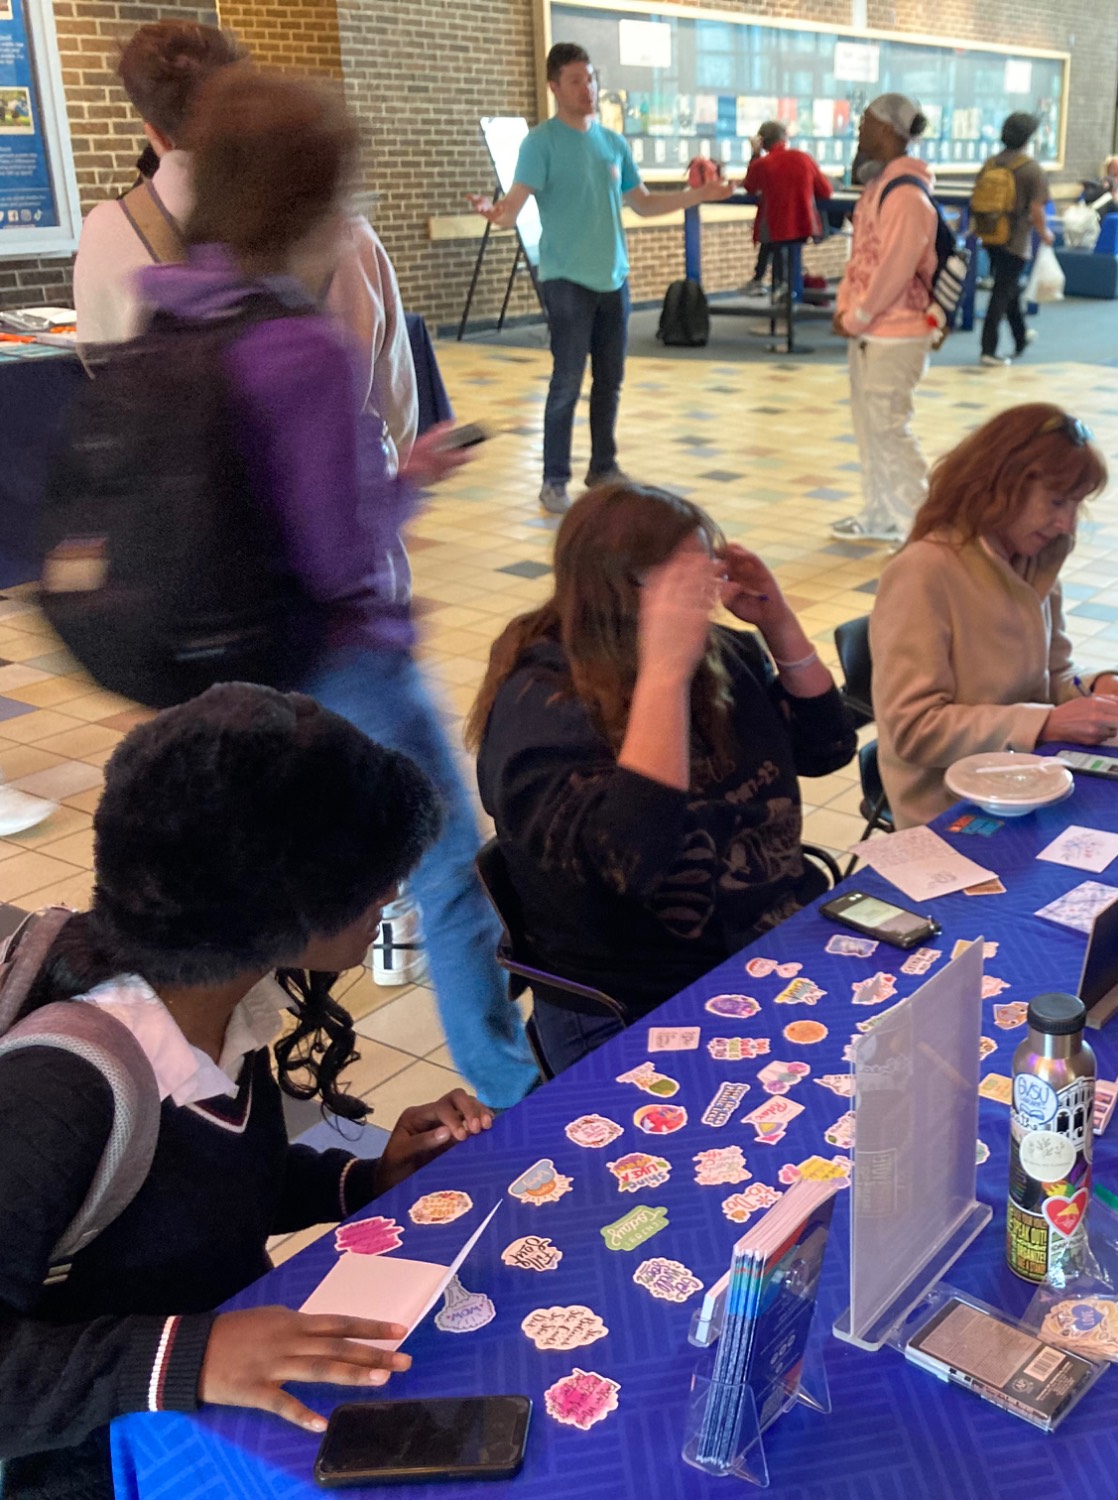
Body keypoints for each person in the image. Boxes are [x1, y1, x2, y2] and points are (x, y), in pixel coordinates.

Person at [139, 66, 540, 1107]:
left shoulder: (175, 303)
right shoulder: (296, 344)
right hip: (342, 666)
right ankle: (511, 1090)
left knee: (254, 890)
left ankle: (228, 1093)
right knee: (449, 870)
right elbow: (337, 554)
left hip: (217, 667)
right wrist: (406, 484)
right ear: (308, 195)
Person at [0, 683, 494, 1497]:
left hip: (214, 1424)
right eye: (373, 882)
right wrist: (190, 1354)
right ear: (286, 910)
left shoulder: (216, 1008)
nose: (388, 902)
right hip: (115, 1469)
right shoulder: (62, 1091)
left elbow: (203, 1196)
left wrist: (364, 1179)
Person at [469, 483, 856, 1073]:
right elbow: (632, 858)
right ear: (622, 589)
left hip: (763, 950)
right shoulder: (541, 703)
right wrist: (665, 675)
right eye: (684, 585)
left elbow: (827, 747)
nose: (704, 599)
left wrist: (778, 624)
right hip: (634, 1000)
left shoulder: (719, 654)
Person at [73, 21, 418, 472]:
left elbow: (102, 374)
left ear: (154, 134)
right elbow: (397, 403)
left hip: (187, 513)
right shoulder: (343, 230)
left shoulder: (106, 230)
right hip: (343, 490)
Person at [472, 44, 732, 514]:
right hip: (566, 278)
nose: (587, 88)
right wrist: (496, 215)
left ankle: (603, 467)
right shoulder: (540, 143)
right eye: (575, 80)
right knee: (567, 379)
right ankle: (554, 479)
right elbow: (512, 209)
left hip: (613, 278)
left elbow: (644, 203)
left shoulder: (613, 143)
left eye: (590, 78)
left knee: (610, 380)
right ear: (554, 87)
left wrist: (698, 195)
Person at [870, 404, 1118, 827]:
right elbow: (913, 729)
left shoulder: (1032, 558)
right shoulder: (925, 571)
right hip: (951, 811)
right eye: (1057, 502)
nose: (1067, 524)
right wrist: (1046, 724)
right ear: (1000, 487)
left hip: (1027, 784)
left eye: (1075, 505)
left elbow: (1054, 675)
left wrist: (1098, 685)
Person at [829, 92, 939, 545]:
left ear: (891, 131)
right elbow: (862, 258)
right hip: (871, 328)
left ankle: (922, 527)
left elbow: (895, 266)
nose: (859, 129)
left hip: (896, 331)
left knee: (890, 427)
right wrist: (848, 309)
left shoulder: (907, 194)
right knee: (869, 425)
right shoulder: (880, 185)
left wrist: (858, 314)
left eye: (867, 122)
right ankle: (880, 514)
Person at [974, 112, 1051, 368]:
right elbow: (1037, 209)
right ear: (1028, 137)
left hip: (990, 234)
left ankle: (1020, 338)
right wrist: (1045, 234)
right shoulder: (1031, 169)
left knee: (1008, 288)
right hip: (1016, 239)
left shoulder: (991, 164)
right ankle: (988, 349)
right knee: (1001, 292)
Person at [739, 120, 832, 298]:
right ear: (784, 138)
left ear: (762, 141)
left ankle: (767, 285)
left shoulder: (762, 164)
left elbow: (749, 186)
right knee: (785, 256)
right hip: (803, 225)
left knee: (772, 241)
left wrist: (755, 154)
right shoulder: (804, 158)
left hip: (775, 228)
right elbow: (825, 191)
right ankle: (784, 296)